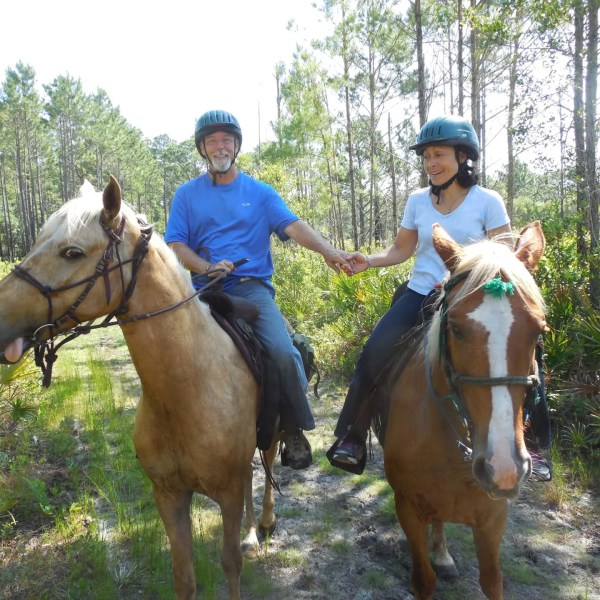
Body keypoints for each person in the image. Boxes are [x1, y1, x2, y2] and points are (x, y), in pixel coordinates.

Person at [328, 115, 551, 478]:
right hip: (421, 294)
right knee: (375, 351)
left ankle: (535, 444)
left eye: (439, 154)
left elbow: (505, 259)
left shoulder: (487, 201)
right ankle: (352, 436)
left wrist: (463, 277)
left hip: (476, 301)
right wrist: (367, 261)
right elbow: (402, 249)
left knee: (529, 357)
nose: (431, 163)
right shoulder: (417, 200)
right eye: (427, 156)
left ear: (463, 157)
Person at [164, 109, 351, 470]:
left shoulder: (260, 193)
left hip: (251, 289)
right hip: (202, 289)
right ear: (203, 149)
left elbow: (294, 226)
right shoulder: (187, 195)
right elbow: (176, 245)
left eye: (226, 140)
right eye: (212, 141)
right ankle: (172, 428)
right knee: (166, 349)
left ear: (236, 146)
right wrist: (205, 267)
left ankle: (294, 427)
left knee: (282, 352)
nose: (220, 146)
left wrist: (329, 251)